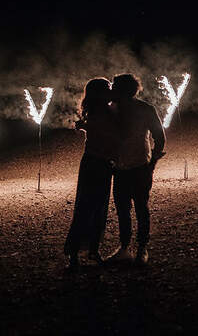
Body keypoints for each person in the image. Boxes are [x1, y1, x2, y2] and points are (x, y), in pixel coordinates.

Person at [107, 73, 166, 266]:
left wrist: (152, 163)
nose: (111, 90)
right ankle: (124, 248)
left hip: (140, 166)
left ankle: (141, 248)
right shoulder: (112, 110)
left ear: (124, 90)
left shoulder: (145, 109)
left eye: (114, 87)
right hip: (121, 167)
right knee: (123, 209)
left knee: (141, 207)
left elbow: (160, 137)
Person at [64, 78, 119, 270]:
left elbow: (98, 132)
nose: (111, 91)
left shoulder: (99, 111)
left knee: (93, 208)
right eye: (108, 89)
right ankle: (82, 252)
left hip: (95, 162)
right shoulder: (105, 112)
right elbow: (104, 134)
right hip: (98, 163)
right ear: (100, 93)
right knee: (91, 208)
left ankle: (82, 252)